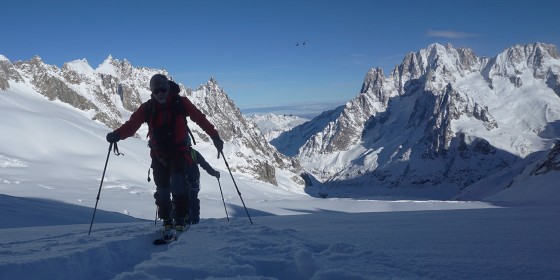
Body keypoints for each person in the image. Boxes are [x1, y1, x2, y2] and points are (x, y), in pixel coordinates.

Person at [106, 74, 223, 237]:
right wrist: (117, 135)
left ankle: (181, 220)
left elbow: (199, 118)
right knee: (162, 190)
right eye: (157, 90)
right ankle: (167, 221)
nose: (160, 93)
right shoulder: (147, 108)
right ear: (152, 92)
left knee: (177, 184)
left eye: (163, 89)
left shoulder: (181, 103)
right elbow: (132, 125)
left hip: (179, 153)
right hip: (158, 155)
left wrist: (215, 136)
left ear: (168, 89)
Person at [184, 142, 220, 225]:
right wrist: (213, 173)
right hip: (193, 180)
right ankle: (194, 221)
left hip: (181, 180)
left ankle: (181, 220)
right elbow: (204, 164)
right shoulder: (193, 153)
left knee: (180, 199)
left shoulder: (176, 151)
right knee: (193, 200)